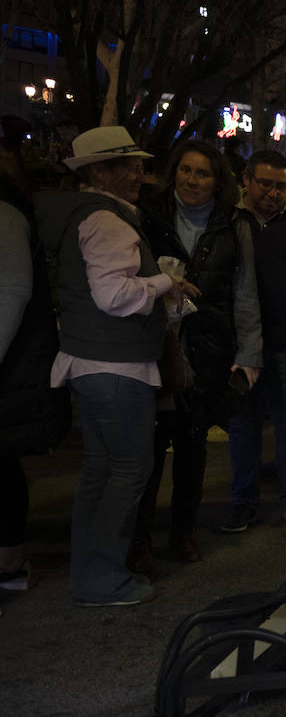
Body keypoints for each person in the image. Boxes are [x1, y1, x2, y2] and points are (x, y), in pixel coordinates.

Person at [36, 126, 200, 606]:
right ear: (99, 171)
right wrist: (162, 282)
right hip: (115, 369)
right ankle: (103, 579)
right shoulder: (107, 222)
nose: (138, 173)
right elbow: (114, 295)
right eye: (127, 165)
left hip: (92, 364)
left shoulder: (85, 216)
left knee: (101, 471)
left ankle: (90, 573)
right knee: (129, 469)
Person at [135, 140, 262, 563]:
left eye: (203, 173)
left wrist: (249, 354)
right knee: (148, 446)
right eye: (186, 171)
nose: (193, 180)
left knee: (192, 445)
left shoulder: (234, 224)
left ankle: (182, 532)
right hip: (153, 342)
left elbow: (245, 293)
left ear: (217, 180)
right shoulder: (148, 214)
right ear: (174, 173)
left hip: (207, 344)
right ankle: (140, 538)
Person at [222, 150, 286, 533]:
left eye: (281, 186)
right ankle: (243, 503)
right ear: (246, 179)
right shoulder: (230, 220)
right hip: (240, 345)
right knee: (242, 423)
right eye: (265, 183)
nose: (273, 193)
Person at [0, 132, 68, 605]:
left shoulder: (6, 209)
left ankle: (7, 563)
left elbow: (12, 291)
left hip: (12, 364)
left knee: (2, 464)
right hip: (16, 362)